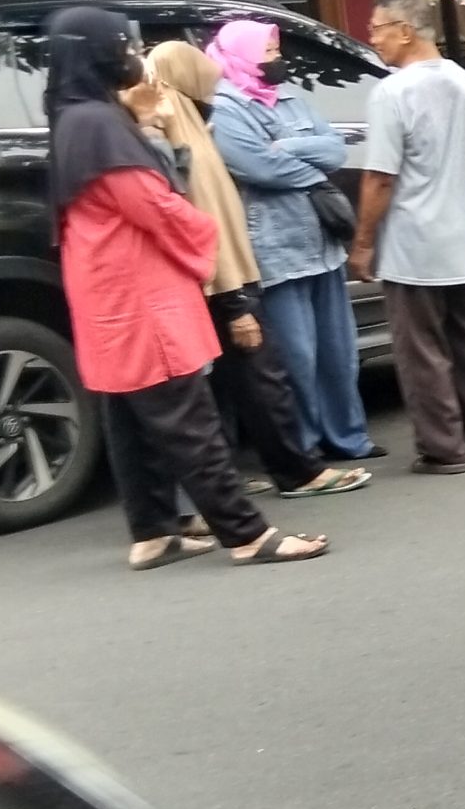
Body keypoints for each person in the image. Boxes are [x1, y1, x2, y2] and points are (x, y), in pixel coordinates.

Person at [46, 8, 328, 569]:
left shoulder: (75, 116)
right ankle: (246, 534)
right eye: (126, 47)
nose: (135, 58)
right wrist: (205, 230)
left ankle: (155, 531)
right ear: (102, 54)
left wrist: (142, 123)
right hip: (141, 295)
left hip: (106, 296)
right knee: (188, 419)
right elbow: (153, 204)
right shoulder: (101, 127)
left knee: (131, 420)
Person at [143, 42, 371, 501]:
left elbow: (331, 148)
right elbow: (241, 178)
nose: (212, 75)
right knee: (260, 374)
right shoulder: (170, 132)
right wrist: (234, 299)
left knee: (244, 379)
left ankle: (255, 473)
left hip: (232, 271)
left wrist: (288, 149)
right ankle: (289, 470)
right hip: (220, 275)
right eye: (199, 67)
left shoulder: (195, 121)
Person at [351, 0, 465, 477]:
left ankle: (443, 446)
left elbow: (380, 177)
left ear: (406, 31)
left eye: (378, 28)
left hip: (415, 241)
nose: (372, 37)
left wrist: (362, 242)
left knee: (421, 349)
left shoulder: (392, 92)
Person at [206, 19, 380, 464]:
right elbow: (258, 167)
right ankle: (302, 448)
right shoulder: (225, 106)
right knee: (296, 359)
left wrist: (286, 148)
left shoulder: (289, 96)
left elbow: (336, 149)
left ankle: (349, 439)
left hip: (321, 244)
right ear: (242, 54)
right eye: (268, 52)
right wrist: (308, 164)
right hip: (276, 248)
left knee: (339, 354)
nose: (276, 59)